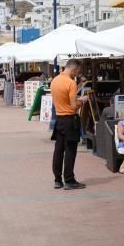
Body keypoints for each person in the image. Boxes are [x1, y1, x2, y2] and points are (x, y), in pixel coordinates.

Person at [51, 59, 89, 190]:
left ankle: (57, 179)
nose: (77, 74)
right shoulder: (70, 83)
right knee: (70, 150)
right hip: (70, 120)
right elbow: (73, 106)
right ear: (73, 69)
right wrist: (82, 101)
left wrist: (75, 100)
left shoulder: (55, 81)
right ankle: (69, 180)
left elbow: (58, 102)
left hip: (59, 119)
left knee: (58, 150)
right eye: (78, 71)